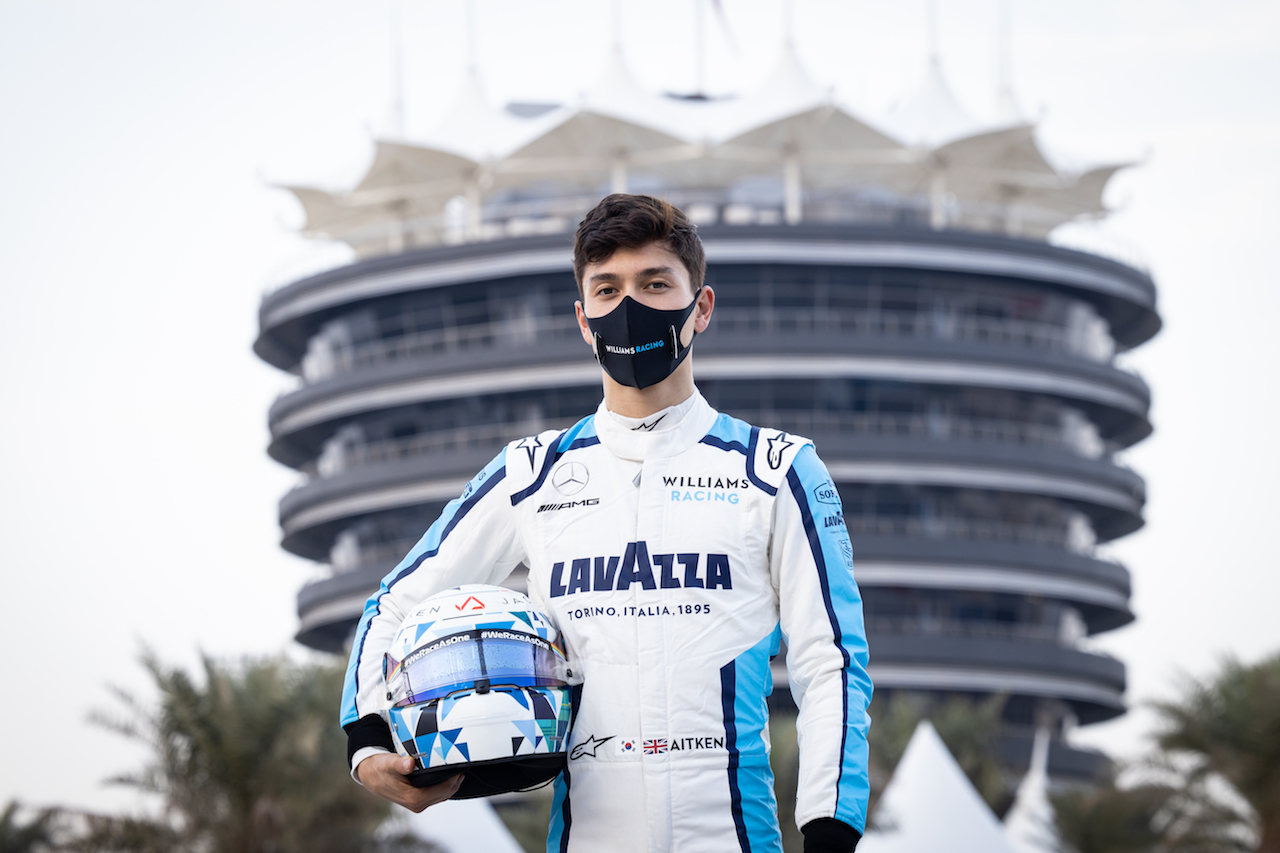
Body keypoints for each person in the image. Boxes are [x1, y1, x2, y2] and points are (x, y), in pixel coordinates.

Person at [340, 194, 872, 853]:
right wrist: (366, 742)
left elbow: (832, 663)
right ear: (584, 319)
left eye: (655, 284)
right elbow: (394, 603)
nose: (630, 306)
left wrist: (829, 834)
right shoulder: (529, 474)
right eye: (607, 289)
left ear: (700, 307)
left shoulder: (777, 469)